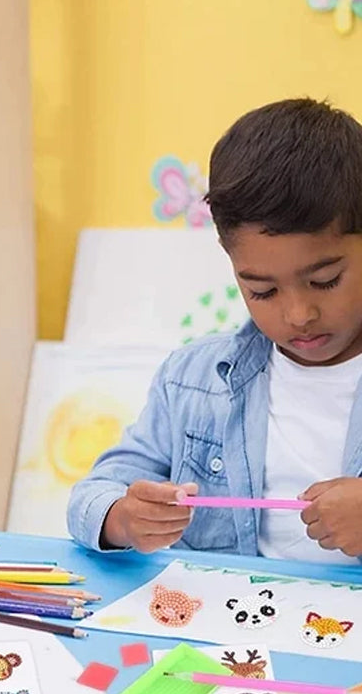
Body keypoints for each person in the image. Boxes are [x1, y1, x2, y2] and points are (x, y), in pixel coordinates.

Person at [68, 97, 362, 565]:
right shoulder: (192, 379)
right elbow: (97, 491)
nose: (299, 314)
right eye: (262, 290)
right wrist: (123, 518)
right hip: (230, 623)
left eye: (325, 281)